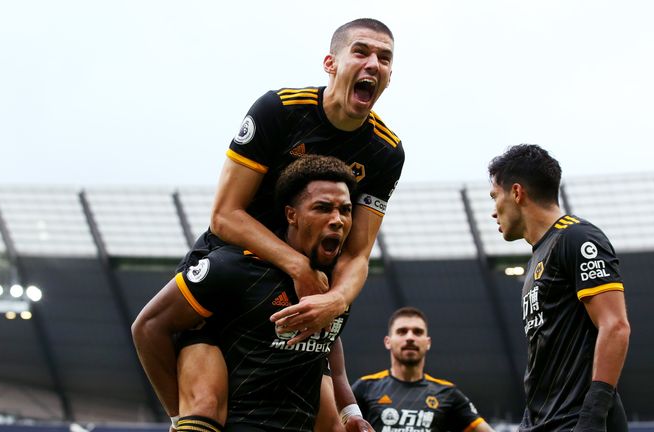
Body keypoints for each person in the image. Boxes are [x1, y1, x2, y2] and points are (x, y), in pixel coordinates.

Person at [133, 17, 404, 429]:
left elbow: (357, 254)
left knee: (332, 423)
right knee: (203, 410)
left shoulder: (386, 152)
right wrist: (297, 266)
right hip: (233, 275)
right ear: (331, 63)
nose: (373, 64)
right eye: (361, 52)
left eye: (384, 58)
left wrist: (335, 300)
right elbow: (225, 215)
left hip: (297, 291)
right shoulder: (280, 110)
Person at [133, 155, 372, 431]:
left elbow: (329, 341)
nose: (338, 220)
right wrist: (178, 416)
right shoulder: (234, 267)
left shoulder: (339, 285)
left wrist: (350, 414)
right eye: (323, 208)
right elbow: (149, 327)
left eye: (345, 210)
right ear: (291, 215)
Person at [488, 144, 631, 431]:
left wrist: (592, 418)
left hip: (575, 423)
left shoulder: (577, 237)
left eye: (494, 197)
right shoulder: (537, 258)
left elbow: (615, 326)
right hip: (542, 423)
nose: (493, 211)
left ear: (517, 193)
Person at [351, 307, 495, 432]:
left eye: (418, 332)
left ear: (428, 343)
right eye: (402, 332)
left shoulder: (447, 393)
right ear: (388, 342)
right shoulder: (365, 387)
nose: (410, 337)